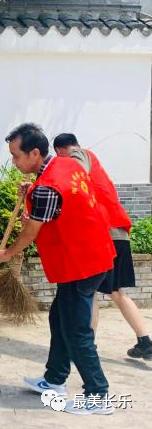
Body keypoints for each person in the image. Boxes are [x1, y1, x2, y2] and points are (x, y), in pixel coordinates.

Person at [0, 123, 116, 415]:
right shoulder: (63, 166)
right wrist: (32, 190)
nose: (14, 162)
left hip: (81, 263)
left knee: (76, 331)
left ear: (34, 153)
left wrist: (7, 254)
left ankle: (99, 396)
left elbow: (31, 232)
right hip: (89, 255)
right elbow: (61, 203)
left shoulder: (48, 186)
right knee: (59, 318)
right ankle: (54, 380)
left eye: (16, 156)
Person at [53, 133, 151, 360]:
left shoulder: (81, 155)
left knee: (90, 292)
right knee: (116, 293)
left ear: (61, 151)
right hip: (118, 234)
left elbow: (74, 174)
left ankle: (87, 346)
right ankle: (145, 342)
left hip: (103, 235)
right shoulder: (96, 164)